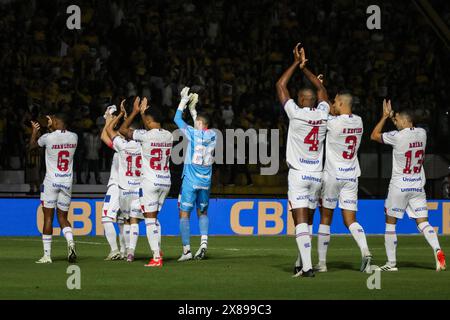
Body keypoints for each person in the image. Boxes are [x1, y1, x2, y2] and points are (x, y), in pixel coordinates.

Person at [371, 99, 446, 271]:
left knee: (390, 223)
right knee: (423, 222)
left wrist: (384, 117)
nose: (395, 122)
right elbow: (405, 126)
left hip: (399, 186)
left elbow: (374, 135)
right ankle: (437, 250)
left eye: (397, 120)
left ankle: (391, 264)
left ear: (404, 121)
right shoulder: (422, 133)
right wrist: (393, 117)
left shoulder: (396, 137)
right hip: (417, 186)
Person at [276, 44, 330, 277]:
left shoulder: (295, 114)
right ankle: (301, 263)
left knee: (299, 221)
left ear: (299, 99)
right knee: (307, 222)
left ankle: (307, 268)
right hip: (316, 175)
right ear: (315, 101)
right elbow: (322, 90)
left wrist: (297, 64)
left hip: (298, 174)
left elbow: (280, 85)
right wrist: (308, 70)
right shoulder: (323, 113)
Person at [316, 91, 372, 273]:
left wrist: (321, 89)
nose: (332, 104)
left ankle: (322, 264)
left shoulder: (333, 123)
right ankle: (365, 250)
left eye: (335, 101)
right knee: (350, 220)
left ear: (340, 103)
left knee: (326, 218)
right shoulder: (359, 121)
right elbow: (336, 110)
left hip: (332, 175)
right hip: (351, 176)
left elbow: (324, 110)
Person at [119, 97, 173, 267]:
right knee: (154, 218)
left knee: (149, 220)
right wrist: (144, 115)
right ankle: (157, 249)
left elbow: (123, 129)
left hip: (150, 182)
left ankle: (156, 257)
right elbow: (150, 127)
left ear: (148, 121)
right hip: (165, 181)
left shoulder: (144, 135)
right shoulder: (169, 135)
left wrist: (135, 112)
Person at [174, 87, 217, 261]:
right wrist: (194, 112)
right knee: (203, 213)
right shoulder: (214, 135)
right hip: (205, 181)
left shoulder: (192, 134)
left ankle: (186, 251)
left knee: (184, 213)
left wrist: (183, 102)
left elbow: (176, 119)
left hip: (190, 181)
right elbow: (200, 128)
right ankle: (204, 243)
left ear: (199, 124)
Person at [29, 114, 78, 264]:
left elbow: (32, 147)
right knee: (63, 217)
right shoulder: (74, 137)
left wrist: (34, 131)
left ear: (56, 122)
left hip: (51, 182)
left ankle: (47, 255)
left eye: (52, 120)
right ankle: (71, 243)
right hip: (66, 182)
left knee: (48, 217)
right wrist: (52, 126)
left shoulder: (47, 138)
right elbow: (59, 133)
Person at [106, 100, 143, 263]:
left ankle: (123, 250)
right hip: (139, 189)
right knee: (135, 220)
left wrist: (120, 115)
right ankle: (130, 252)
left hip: (124, 189)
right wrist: (140, 113)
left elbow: (108, 130)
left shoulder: (121, 145)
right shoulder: (144, 146)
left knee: (125, 219)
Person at [100, 107, 128, 260]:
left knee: (106, 217)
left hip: (117, 185)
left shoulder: (121, 145)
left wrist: (108, 119)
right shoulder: (135, 144)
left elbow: (105, 134)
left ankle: (114, 250)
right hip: (130, 186)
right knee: (122, 220)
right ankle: (124, 251)